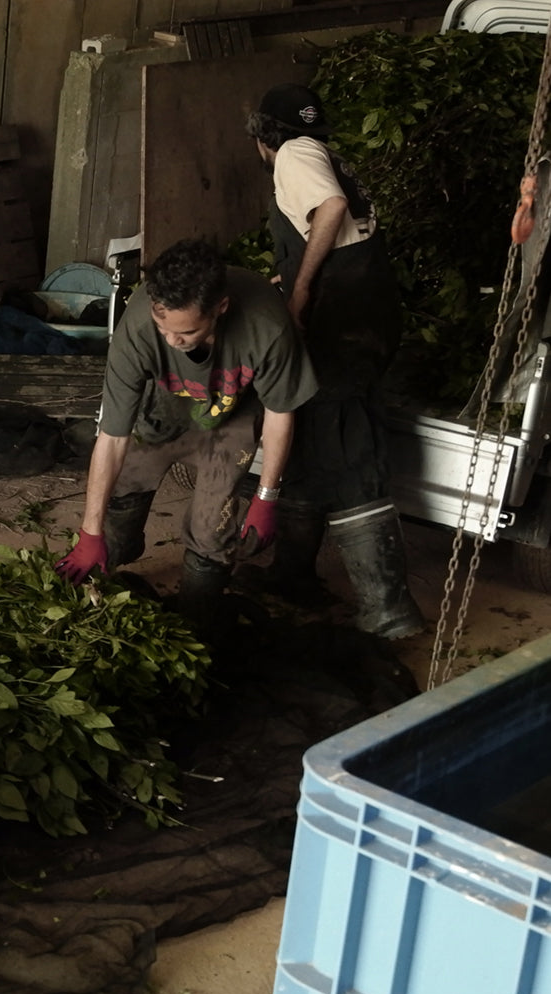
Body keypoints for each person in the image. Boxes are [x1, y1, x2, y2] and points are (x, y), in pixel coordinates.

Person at [53, 238, 318, 624]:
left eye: (186, 333)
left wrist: (266, 497)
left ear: (220, 308)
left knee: (212, 530)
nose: (172, 342)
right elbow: (111, 439)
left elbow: (280, 415)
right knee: (122, 488)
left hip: (234, 413)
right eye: (165, 329)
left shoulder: (267, 326)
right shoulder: (140, 328)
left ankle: (194, 621)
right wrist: (89, 531)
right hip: (165, 403)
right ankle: (111, 560)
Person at [243, 82, 426, 639]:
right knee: (310, 427)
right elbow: (340, 234)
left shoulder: (294, 154)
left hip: (341, 322)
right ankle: (293, 573)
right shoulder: (327, 154)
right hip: (368, 311)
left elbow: (332, 210)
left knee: (346, 446)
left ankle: (388, 609)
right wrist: (288, 275)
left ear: (262, 136)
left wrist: (299, 294)